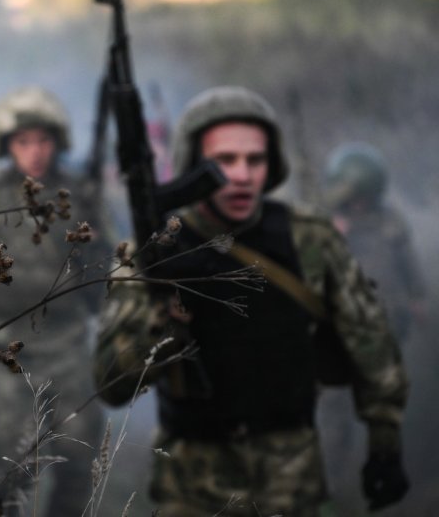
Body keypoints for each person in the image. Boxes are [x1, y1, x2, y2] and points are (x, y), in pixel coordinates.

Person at [93, 86, 409, 516]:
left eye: (254, 160)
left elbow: (370, 339)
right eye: (224, 161)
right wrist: (158, 312)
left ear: (272, 164)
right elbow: (111, 384)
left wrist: (385, 443)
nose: (241, 175)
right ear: (193, 165)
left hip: (290, 479)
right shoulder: (152, 252)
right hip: (191, 486)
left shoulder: (309, 238)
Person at [0, 86, 110, 516]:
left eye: (44, 140)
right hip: (6, 346)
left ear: (58, 142)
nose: (35, 152)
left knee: (78, 459)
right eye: (23, 141)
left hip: (68, 342)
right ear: (7, 145)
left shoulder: (77, 193)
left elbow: (110, 269)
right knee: (9, 467)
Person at [323, 141, 426, 341]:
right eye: (353, 199)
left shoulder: (389, 220)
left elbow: (407, 260)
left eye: (362, 198)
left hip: (389, 310)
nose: (357, 205)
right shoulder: (328, 221)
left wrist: (417, 297)